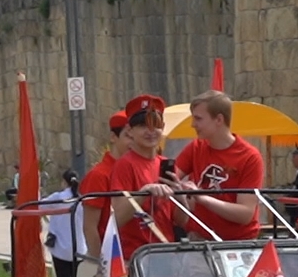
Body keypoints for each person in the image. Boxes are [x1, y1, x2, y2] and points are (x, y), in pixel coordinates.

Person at [172, 91, 263, 241]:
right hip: (200, 239)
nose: (193, 124)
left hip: (239, 243)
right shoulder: (195, 148)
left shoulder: (250, 157)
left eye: (198, 119)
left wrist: (201, 197)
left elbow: (245, 214)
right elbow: (171, 178)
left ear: (219, 120)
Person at [108, 95, 181, 260]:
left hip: (166, 254)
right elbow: (116, 219)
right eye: (143, 125)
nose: (150, 131)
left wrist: (181, 196)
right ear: (130, 131)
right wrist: (143, 194)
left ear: (162, 128)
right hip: (136, 257)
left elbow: (180, 220)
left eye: (155, 125)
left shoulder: (166, 164)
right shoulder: (124, 165)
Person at [81, 111, 130, 257]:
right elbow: (90, 227)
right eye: (128, 136)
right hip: (112, 258)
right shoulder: (99, 175)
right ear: (113, 137)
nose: (133, 142)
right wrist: (100, 264)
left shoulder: (137, 170)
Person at [44, 170, 79, 277]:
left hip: (60, 250)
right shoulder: (82, 198)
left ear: (64, 182)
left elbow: (40, 205)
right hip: (79, 250)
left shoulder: (59, 197)